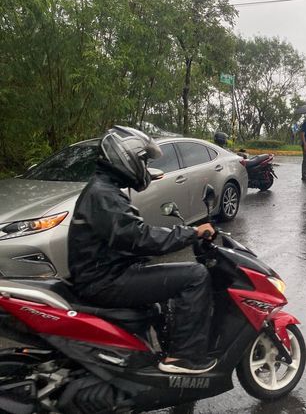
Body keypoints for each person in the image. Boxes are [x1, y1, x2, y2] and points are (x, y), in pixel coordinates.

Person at [68, 126, 217, 375]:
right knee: (195, 276)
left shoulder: (103, 188)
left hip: (103, 274)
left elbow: (129, 235)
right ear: (125, 158)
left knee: (165, 282)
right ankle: (182, 357)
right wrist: (191, 232)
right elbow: (137, 236)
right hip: (106, 280)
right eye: (143, 161)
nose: (145, 169)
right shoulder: (103, 194)